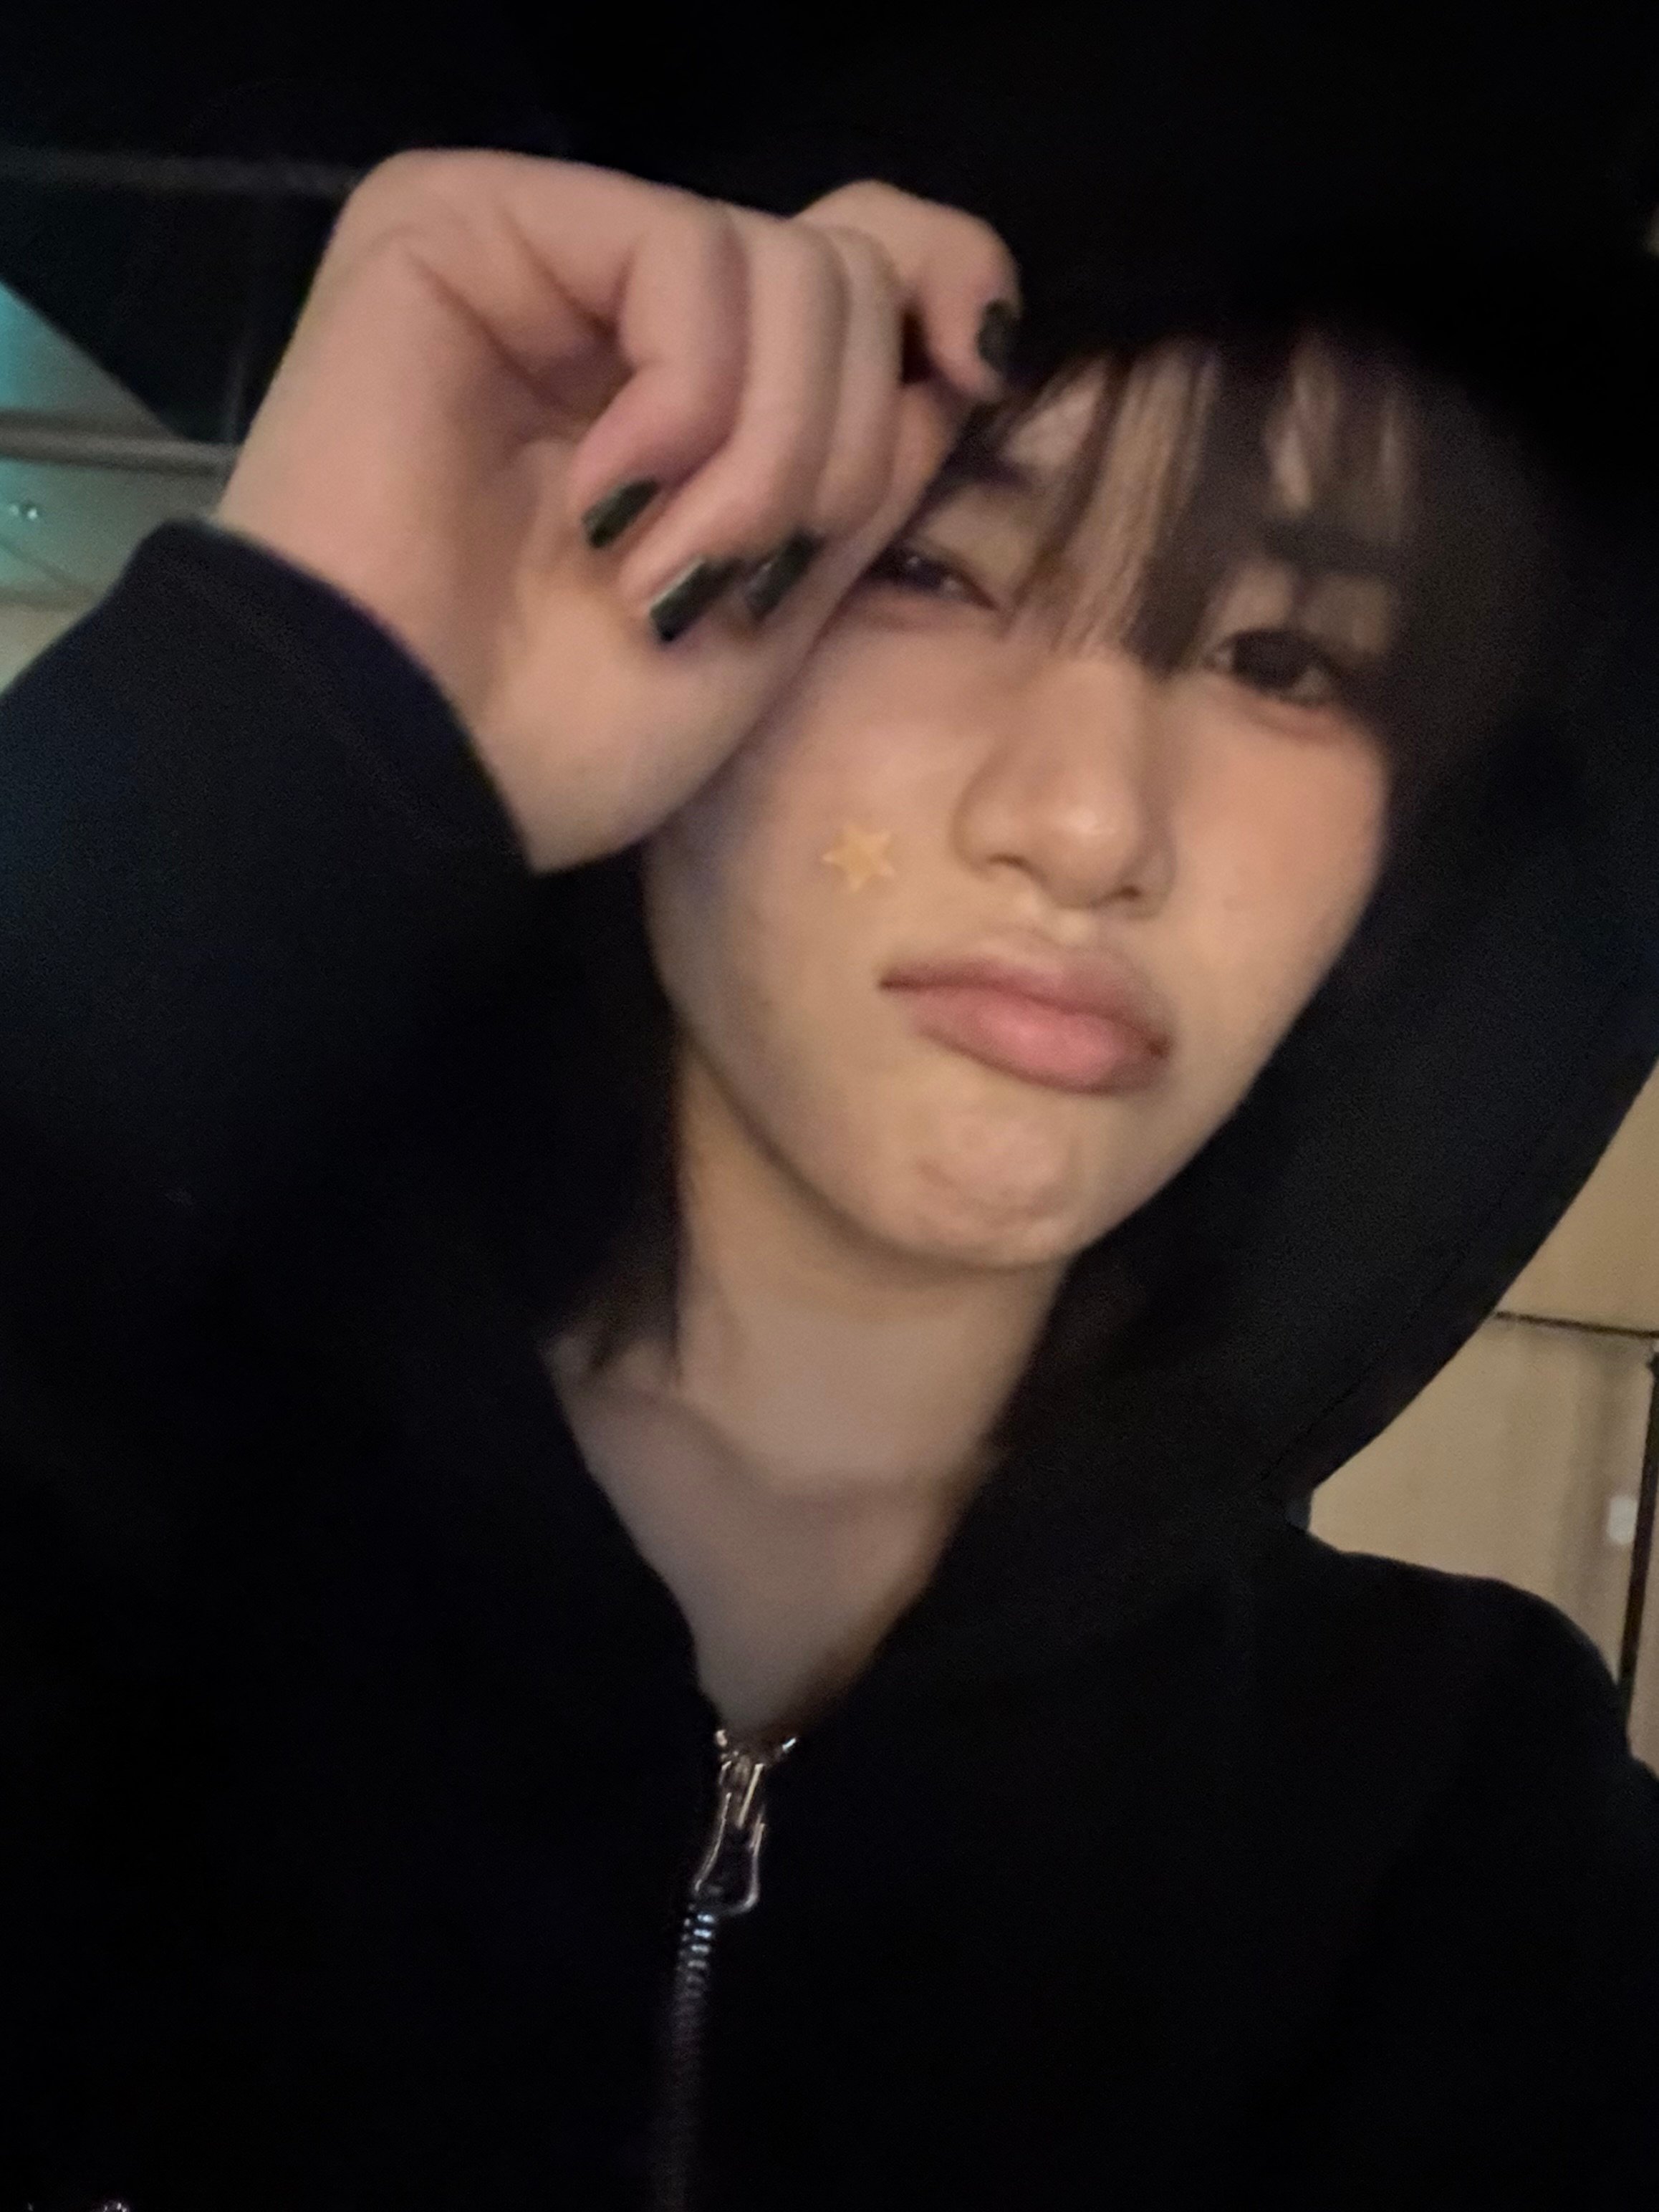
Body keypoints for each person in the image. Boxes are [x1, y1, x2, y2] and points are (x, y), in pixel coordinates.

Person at [1, 143, 1656, 2211]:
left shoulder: (1454, 1822)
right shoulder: (123, 1512)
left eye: (1285, 661)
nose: (1084, 827)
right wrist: (288, 703)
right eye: (935, 575)